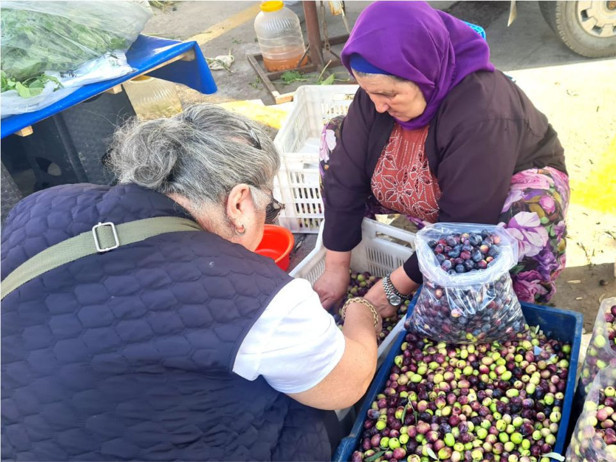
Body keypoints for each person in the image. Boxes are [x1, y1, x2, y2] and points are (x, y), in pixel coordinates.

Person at [0, 105, 390, 461]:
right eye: (270, 208)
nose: (268, 218)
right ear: (239, 204)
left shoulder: (41, 207)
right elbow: (347, 384)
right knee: (309, 412)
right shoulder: (242, 291)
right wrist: (363, 312)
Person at [314, 2, 569, 313]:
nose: (379, 106)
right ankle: (380, 249)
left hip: (493, 191)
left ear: (423, 74)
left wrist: (393, 288)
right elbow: (345, 175)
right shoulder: (378, 90)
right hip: (434, 181)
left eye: (390, 95)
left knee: (531, 208)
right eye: (369, 93)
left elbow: (465, 224)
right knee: (335, 137)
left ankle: (523, 303)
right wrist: (337, 266)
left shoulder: (482, 111)